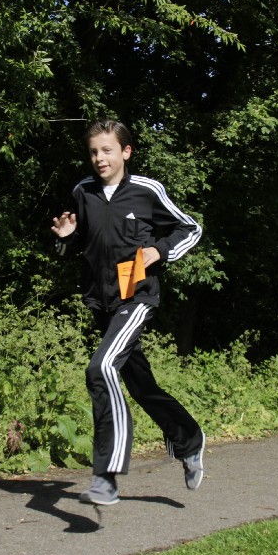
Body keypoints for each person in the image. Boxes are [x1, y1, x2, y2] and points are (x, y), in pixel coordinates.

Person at [51, 119, 206, 506]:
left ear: (125, 152)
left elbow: (190, 228)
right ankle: (189, 440)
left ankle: (106, 475)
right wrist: (65, 240)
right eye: (93, 152)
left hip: (137, 297)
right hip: (101, 303)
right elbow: (80, 244)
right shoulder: (83, 191)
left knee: (101, 368)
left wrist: (160, 250)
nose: (99, 158)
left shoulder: (146, 190)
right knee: (140, 385)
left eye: (107, 150)